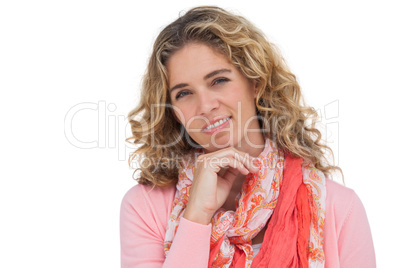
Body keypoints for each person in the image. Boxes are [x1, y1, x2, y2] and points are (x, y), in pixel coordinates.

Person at [120, 6, 376, 268]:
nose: (205, 106)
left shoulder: (338, 208)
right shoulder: (145, 207)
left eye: (218, 80)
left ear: (255, 82)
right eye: (184, 93)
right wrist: (196, 216)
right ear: (173, 112)